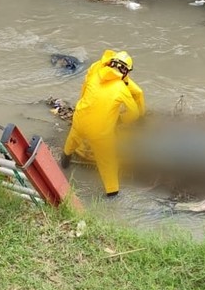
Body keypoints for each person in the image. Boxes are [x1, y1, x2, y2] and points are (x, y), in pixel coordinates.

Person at [60, 49, 146, 197]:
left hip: (79, 119)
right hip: (100, 133)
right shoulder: (121, 89)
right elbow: (134, 113)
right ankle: (112, 193)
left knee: (73, 139)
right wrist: (120, 119)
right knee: (108, 162)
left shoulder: (95, 69)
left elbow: (85, 87)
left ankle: (65, 161)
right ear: (125, 72)